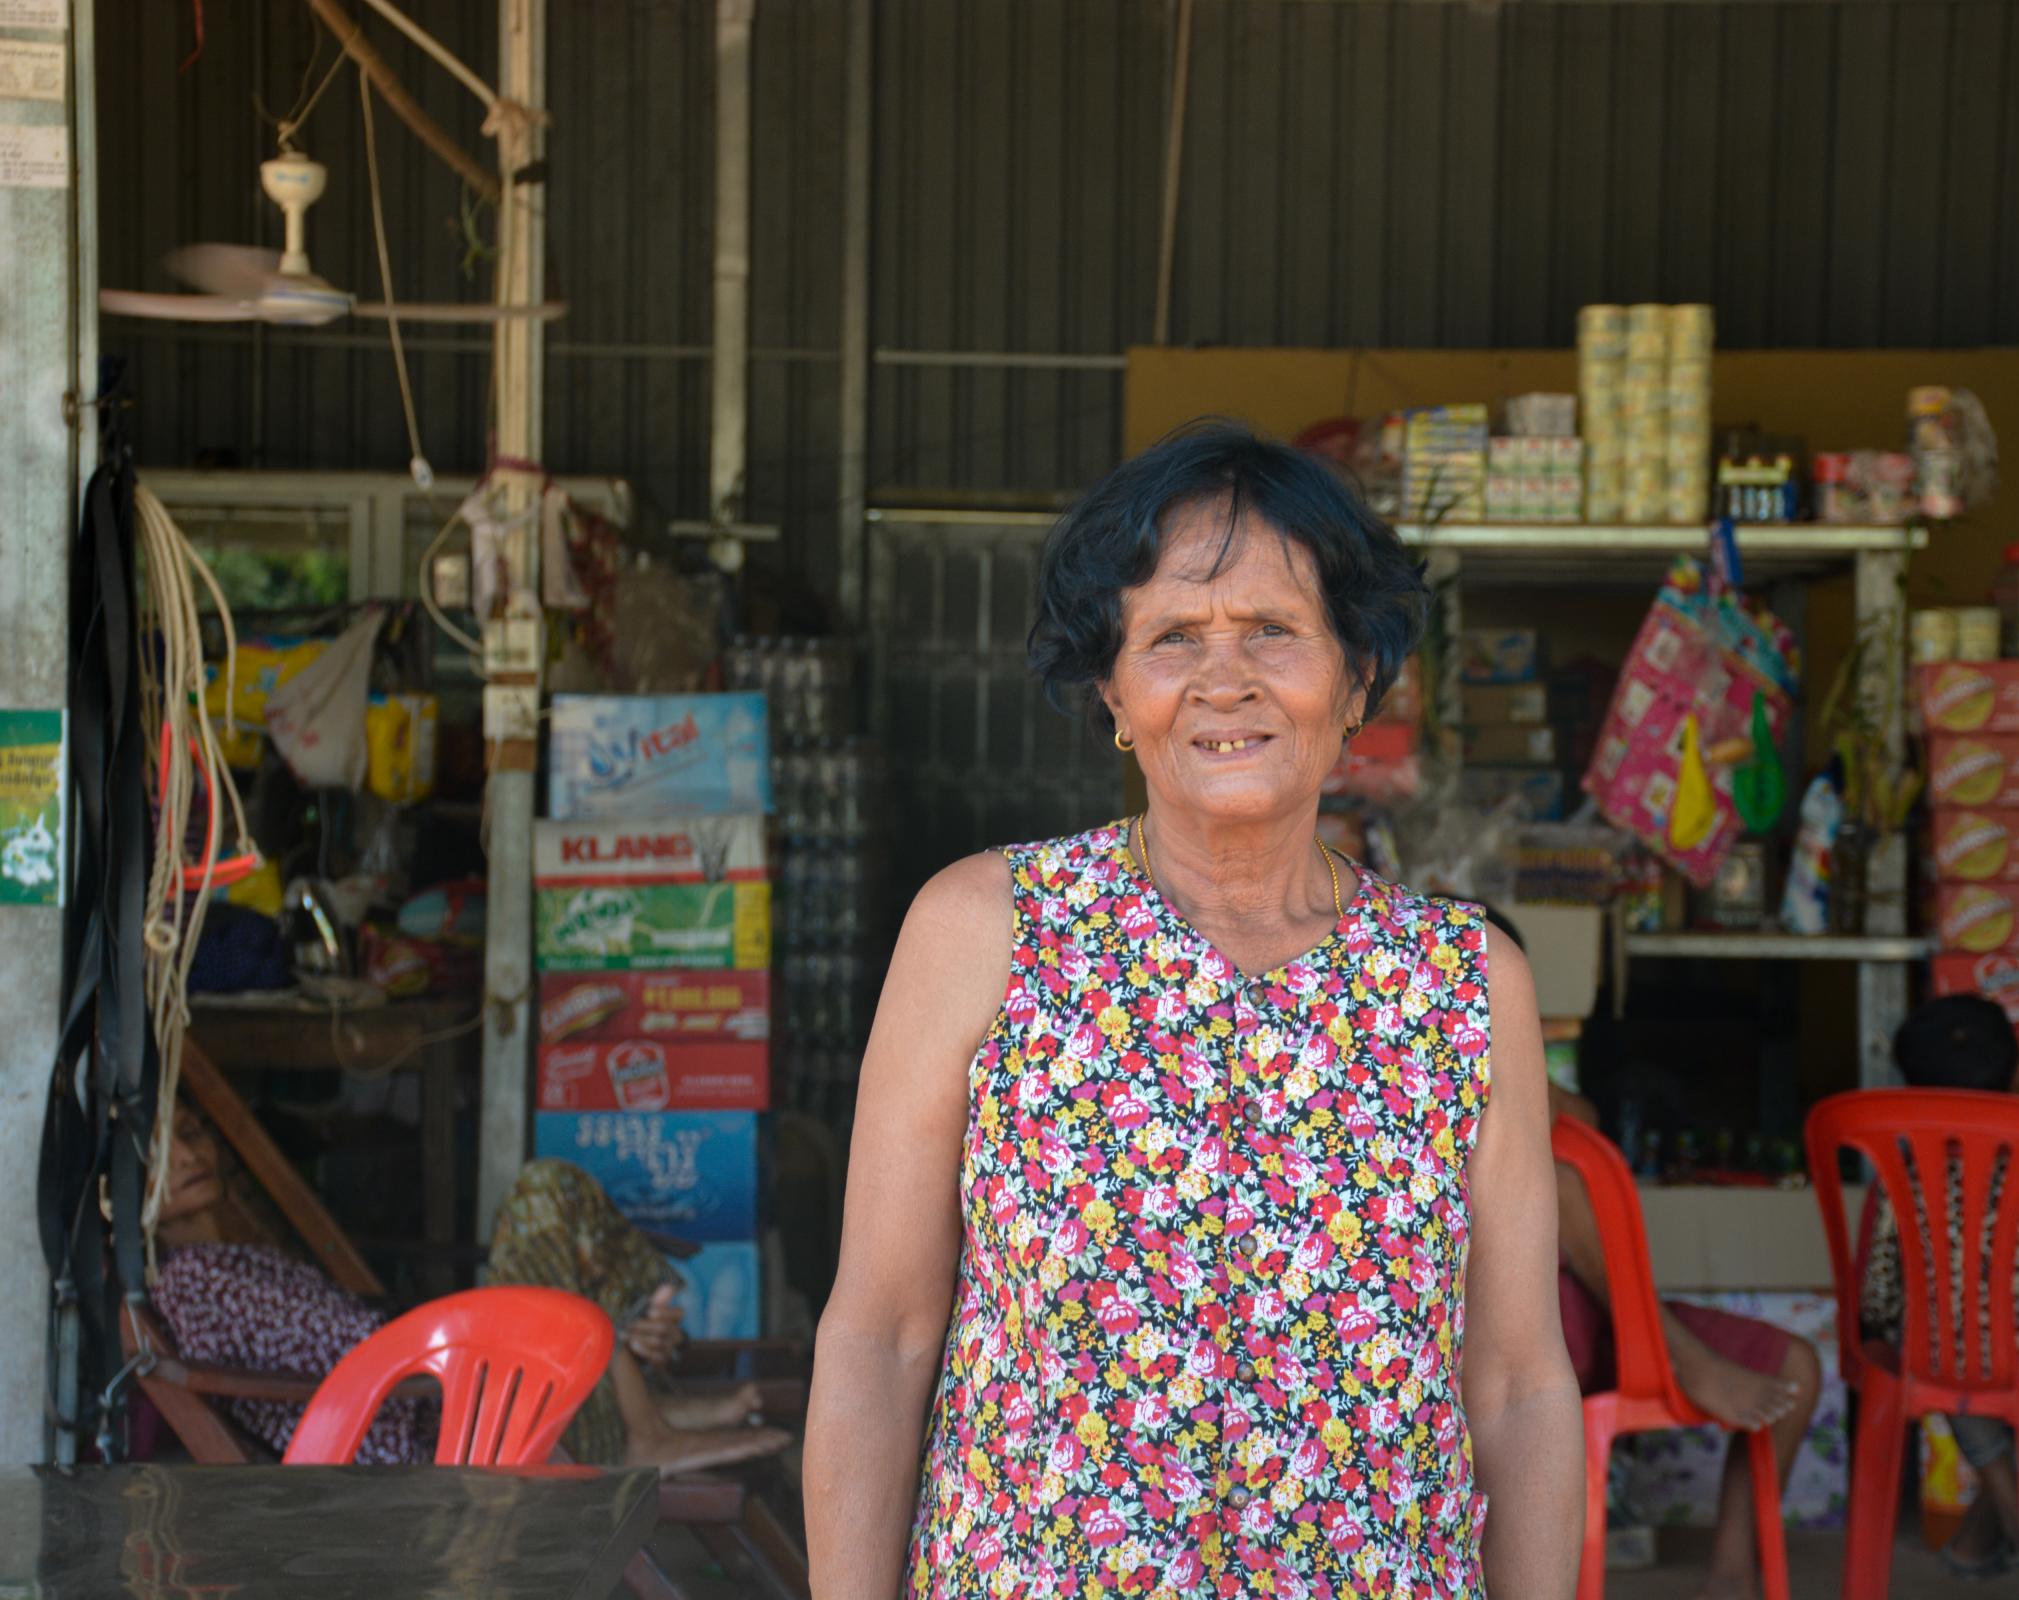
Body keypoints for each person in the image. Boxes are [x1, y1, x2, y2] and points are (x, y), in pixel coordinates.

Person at [803, 423, 1583, 1599]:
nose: (1227, 679)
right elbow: (880, 1337)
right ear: (1116, 690)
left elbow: (1520, 1382)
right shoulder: (985, 932)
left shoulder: (1463, 984)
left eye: (1273, 629)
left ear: (1356, 675)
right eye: (1174, 637)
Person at [145, 1100, 792, 1472]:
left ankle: (642, 1402)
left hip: (491, 1418)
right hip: (473, 1443)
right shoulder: (197, 1282)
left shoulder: (235, 1257)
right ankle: (643, 1408)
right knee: (544, 1195)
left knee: (555, 1208)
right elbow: (362, 1360)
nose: (186, 1154)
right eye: (158, 1147)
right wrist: (483, 1331)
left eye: (191, 1130)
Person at [1500, 910, 1820, 1600]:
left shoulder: (1536, 1090)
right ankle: (1684, 1356)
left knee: (1797, 1368)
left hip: (1610, 1319)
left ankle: (1731, 1574)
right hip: (1515, 1344)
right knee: (1562, 1184)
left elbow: (1584, 1122)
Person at [1857, 995, 2019, 1580]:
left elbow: (1879, 1299)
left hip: (1939, 1354)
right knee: (2006, 1350)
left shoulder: (1906, 1169)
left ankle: (2003, 1528)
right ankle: (2016, 1532)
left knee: (1943, 1342)